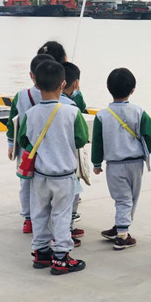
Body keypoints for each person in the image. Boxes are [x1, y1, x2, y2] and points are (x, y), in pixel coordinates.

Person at [17, 60, 89, 275]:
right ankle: (61, 257)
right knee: (61, 215)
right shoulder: (71, 112)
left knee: (39, 213)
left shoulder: (30, 114)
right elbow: (81, 139)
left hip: (40, 175)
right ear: (63, 84)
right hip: (64, 176)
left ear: (36, 84)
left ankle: (41, 253)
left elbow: (23, 140)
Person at [91, 68, 151, 251]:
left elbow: (97, 142)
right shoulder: (139, 112)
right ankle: (122, 234)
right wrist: (146, 152)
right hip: (135, 163)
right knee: (130, 198)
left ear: (108, 88)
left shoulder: (102, 116)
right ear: (133, 89)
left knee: (122, 199)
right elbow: (149, 139)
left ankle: (121, 226)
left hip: (114, 165)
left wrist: (97, 163)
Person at [6, 54, 55, 234]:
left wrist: (11, 144)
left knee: (25, 184)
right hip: (49, 149)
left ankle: (28, 219)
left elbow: (13, 122)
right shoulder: (58, 96)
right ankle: (46, 217)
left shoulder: (21, 96)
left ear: (31, 75)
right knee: (46, 184)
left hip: (25, 150)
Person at [62, 61, 86, 245]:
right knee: (71, 198)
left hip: (44, 167)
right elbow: (81, 138)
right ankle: (66, 232)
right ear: (75, 83)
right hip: (68, 163)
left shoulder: (37, 106)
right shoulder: (73, 107)